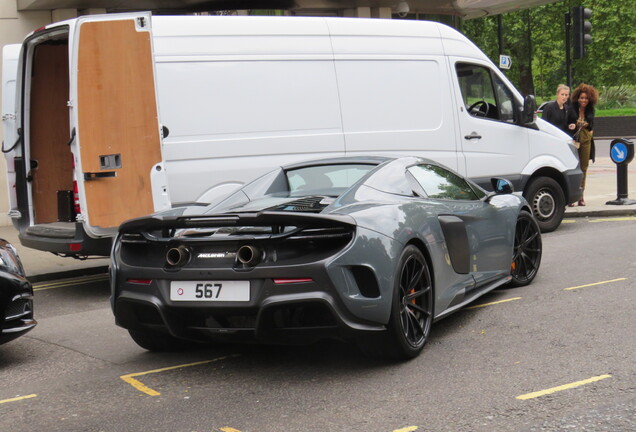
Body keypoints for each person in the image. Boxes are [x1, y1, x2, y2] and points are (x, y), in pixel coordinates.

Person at [567, 83, 599, 207]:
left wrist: (586, 125)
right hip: (574, 140)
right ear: (577, 98)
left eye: (586, 98)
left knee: (583, 168)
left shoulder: (591, 109)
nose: (583, 100)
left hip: (586, 139)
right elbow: (568, 123)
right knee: (572, 167)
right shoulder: (572, 108)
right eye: (581, 98)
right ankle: (571, 197)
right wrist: (573, 124)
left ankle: (581, 196)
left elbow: (591, 125)